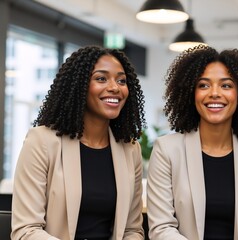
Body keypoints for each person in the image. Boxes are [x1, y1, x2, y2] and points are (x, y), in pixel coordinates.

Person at [11, 45, 146, 240]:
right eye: (101, 78)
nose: (115, 87)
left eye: (121, 80)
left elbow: (131, 230)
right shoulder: (42, 141)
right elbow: (26, 230)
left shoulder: (129, 149)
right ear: (79, 86)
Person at [147, 45, 238, 240]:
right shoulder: (167, 150)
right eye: (203, 85)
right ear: (191, 93)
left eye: (226, 85)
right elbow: (162, 228)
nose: (214, 93)